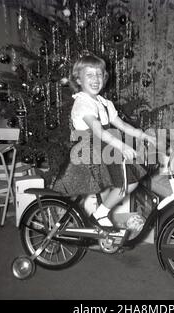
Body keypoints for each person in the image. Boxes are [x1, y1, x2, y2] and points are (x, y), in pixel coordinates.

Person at [57, 54, 156, 231]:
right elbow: (99, 131)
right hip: (91, 152)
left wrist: (143, 136)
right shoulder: (83, 103)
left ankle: (101, 212)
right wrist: (122, 146)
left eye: (99, 74)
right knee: (126, 182)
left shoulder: (103, 102)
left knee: (130, 181)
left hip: (103, 149)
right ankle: (100, 214)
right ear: (78, 79)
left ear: (104, 77)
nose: (96, 79)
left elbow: (122, 125)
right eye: (89, 75)